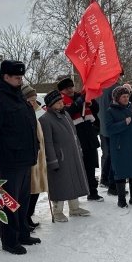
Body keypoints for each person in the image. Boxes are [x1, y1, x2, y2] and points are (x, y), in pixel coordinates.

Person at [0, 60, 40, 255]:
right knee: (10, 202)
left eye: (21, 77)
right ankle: (10, 239)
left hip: (24, 158)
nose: (20, 80)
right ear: (5, 77)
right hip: (9, 160)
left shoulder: (18, 96)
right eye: (17, 77)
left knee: (22, 200)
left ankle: (22, 232)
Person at [39, 90, 91, 221]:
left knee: (73, 180)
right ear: (51, 105)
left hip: (72, 155)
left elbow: (74, 135)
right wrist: (52, 160)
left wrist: (78, 149)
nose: (62, 104)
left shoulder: (66, 114)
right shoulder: (45, 119)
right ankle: (57, 212)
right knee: (60, 184)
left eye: (61, 101)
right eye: (58, 102)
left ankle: (74, 208)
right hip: (59, 157)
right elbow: (48, 143)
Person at [57, 78, 103, 201]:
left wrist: (91, 103)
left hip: (89, 134)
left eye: (71, 87)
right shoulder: (60, 101)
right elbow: (67, 114)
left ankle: (93, 191)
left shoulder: (82, 96)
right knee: (78, 166)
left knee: (91, 164)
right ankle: (76, 194)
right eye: (67, 88)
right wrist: (78, 103)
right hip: (75, 137)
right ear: (62, 91)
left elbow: (96, 110)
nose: (71, 90)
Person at [104, 85, 132, 208]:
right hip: (119, 147)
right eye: (123, 96)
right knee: (121, 172)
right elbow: (109, 129)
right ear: (117, 98)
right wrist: (124, 123)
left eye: (127, 96)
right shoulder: (110, 111)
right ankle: (121, 199)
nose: (126, 98)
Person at [22, 84, 48, 230]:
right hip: (30, 157)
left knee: (37, 188)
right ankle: (25, 216)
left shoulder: (36, 111)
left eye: (34, 99)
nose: (34, 102)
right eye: (31, 100)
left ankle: (29, 215)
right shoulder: (24, 113)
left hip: (40, 155)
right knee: (30, 189)